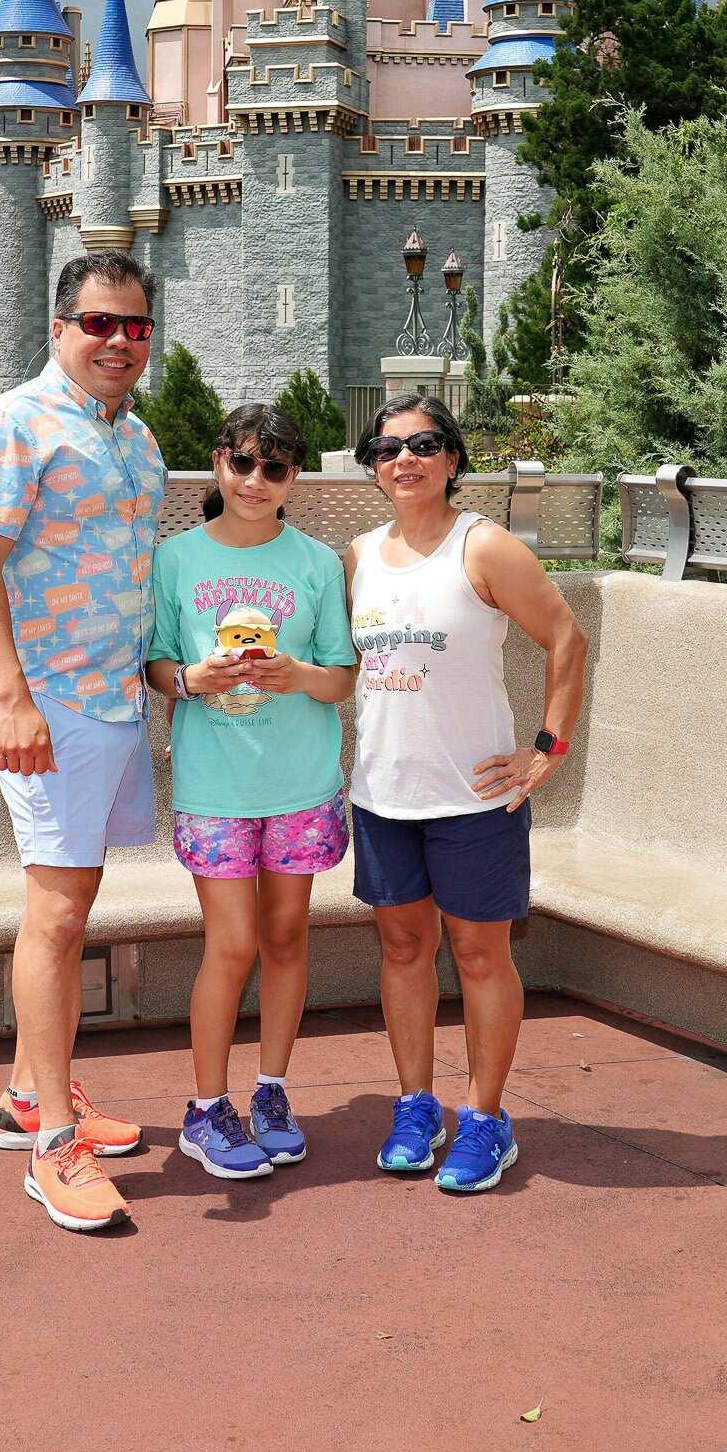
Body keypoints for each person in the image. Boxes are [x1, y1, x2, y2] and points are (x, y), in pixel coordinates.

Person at [0, 252, 165, 1234]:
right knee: (57, 913)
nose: (116, 341)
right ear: (60, 327)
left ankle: (31, 1094)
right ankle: (49, 1152)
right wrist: (12, 696)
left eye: (134, 326)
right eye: (98, 323)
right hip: (48, 706)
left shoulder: (137, 437)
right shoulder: (12, 423)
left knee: (69, 906)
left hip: (112, 702)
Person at [345, 393, 588, 1195]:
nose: (403, 460)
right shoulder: (357, 557)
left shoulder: (483, 547)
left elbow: (565, 637)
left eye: (422, 444)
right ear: (373, 467)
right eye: (386, 449)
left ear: (452, 457)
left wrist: (547, 749)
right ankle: (417, 1106)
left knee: (482, 955)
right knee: (405, 951)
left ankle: (486, 1118)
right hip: (383, 793)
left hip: (475, 798)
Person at [145, 405, 357, 1180]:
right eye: (242, 463)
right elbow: (157, 665)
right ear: (218, 465)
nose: (255, 480)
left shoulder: (317, 564)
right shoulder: (175, 560)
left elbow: (339, 676)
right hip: (215, 784)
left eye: (275, 468)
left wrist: (294, 675)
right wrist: (192, 680)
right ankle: (206, 1109)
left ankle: (270, 1090)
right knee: (232, 946)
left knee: (287, 938)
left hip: (300, 780)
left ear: (294, 476)